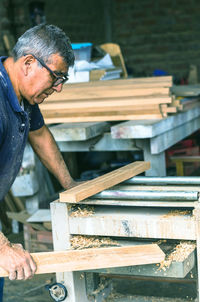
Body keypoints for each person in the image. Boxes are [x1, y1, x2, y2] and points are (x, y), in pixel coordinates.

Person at [0, 23, 77, 298]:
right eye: (56, 77)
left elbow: (40, 134)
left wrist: (71, 186)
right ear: (29, 63)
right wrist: (3, 248)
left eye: (62, 81)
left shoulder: (22, 97)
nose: (58, 89)